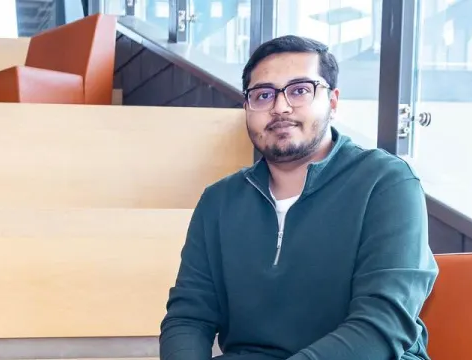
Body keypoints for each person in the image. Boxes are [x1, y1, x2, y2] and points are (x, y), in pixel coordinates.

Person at [158, 35, 439, 360]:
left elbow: (382, 325)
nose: (280, 107)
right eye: (263, 95)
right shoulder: (219, 200)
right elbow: (189, 317)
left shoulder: (386, 182)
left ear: (333, 101)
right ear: (247, 108)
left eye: (300, 90)